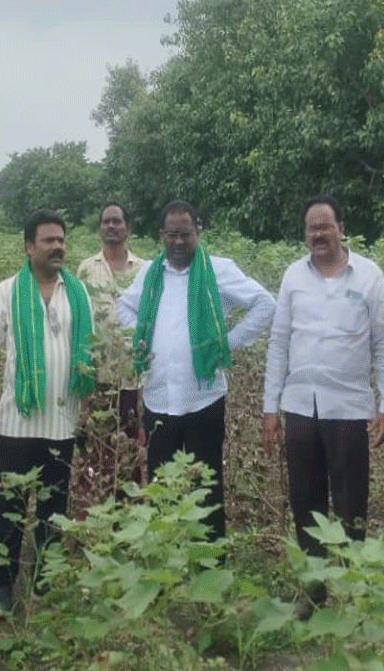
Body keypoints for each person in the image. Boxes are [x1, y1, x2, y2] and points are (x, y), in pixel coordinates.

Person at [262, 194, 384, 614]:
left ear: (341, 228)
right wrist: (271, 407)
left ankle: (354, 583)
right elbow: (279, 342)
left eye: (326, 225)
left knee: (351, 498)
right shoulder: (292, 277)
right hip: (301, 406)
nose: (319, 233)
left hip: (349, 407)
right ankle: (313, 587)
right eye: (311, 228)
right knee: (306, 497)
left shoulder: (369, 277)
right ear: (305, 234)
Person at [117, 200, 275, 541]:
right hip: (159, 399)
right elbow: (124, 307)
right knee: (162, 484)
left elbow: (265, 304)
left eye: (185, 234)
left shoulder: (219, 270)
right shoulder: (150, 274)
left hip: (203, 398)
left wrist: (226, 343)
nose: (178, 242)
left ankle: (209, 563)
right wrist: (141, 337)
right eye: (171, 234)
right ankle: (166, 556)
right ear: (161, 235)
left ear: (198, 234)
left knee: (206, 483)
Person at [0, 210, 95, 616]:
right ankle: (2, 587)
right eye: (48, 240)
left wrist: (89, 412)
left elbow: (89, 357)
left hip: (63, 424)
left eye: (61, 239)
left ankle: (45, 583)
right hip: (16, 424)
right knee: (8, 509)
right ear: (29, 247)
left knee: (53, 511)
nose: (57, 246)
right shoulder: (6, 292)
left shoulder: (77, 293)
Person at [75, 202, 147, 505]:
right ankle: (96, 512)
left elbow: (149, 323)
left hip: (133, 375)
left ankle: (128, 511)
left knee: (130, 447)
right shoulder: (86, 269)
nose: (112, 226)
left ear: (128, 228)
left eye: (118, 221)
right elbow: (81, 324)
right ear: (100, 228)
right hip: (99, 374)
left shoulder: (145, 269)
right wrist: (84, 382)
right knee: (97, 446)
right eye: (106, 221)